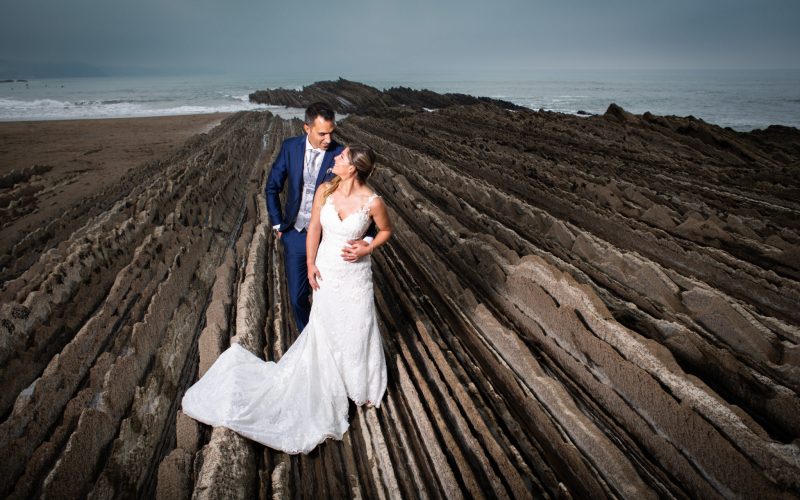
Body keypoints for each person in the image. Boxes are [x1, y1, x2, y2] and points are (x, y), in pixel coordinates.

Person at [181, 144, 391, 455]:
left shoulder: (373, 201)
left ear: (353, 169)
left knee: (358, 327)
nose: (335, 158)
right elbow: (315, 230)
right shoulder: (325, 189)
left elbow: (386, 230)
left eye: (342, 157)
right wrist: (309, 265)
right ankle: (330, 384)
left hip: (356, 275)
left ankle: (360, 383)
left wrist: (367, 245)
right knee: (327, 326)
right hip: (327, 271)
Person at [265, 102, 376, 332]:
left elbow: (365, 203)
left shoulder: (341, 156)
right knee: (297, 298)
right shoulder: (290, 147)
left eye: (331, 132)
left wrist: (366, 242)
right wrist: (278, 224)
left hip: (328, 241)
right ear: (307, 128)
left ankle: (332, 341)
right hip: (295, 234)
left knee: (331, 300)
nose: (328, 138)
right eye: (322, 133)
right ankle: (309, 341)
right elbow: (272, 187)